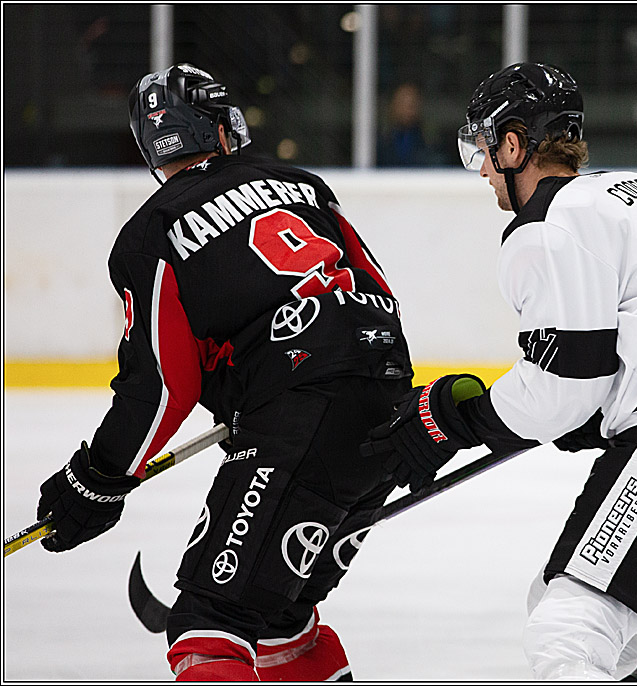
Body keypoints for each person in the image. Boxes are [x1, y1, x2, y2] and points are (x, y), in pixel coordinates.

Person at [361, 63, 637, 680]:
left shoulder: (545, 226)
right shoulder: (630, 190)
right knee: (571, 605)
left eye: (483, 147)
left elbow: (561, 390)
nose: (481, 167)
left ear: (514, 144)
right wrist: (602, 410)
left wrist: (455, 420)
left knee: (568, 630)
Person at [34, 63, 414, 681]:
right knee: (278, 614)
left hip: (300, 414)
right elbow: (377, 297)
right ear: (222, 126)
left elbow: (161, 386)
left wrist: (97, 477)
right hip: (388, 406)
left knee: (208, 625)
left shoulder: (151, 231)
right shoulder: (305, 185)